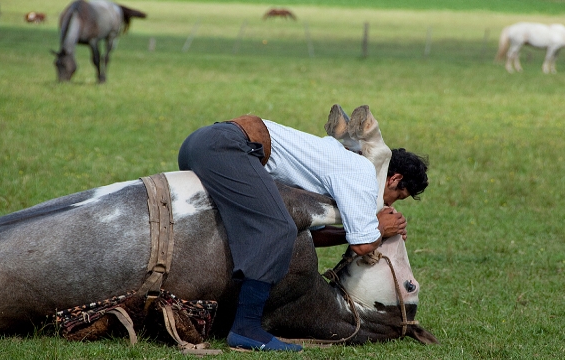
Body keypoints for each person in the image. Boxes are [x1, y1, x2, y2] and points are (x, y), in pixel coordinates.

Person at [177, 106, 428, 352]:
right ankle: (246, 328)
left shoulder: (335, 157)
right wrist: (379, 230)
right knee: (276, 229)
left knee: (283, 228)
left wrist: (355, 232)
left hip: (203, 143)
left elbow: (308, 234)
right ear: (393, 179)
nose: (389, 204)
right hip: (227, 148)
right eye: (397, 196)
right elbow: (362, 246)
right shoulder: (361, 172)